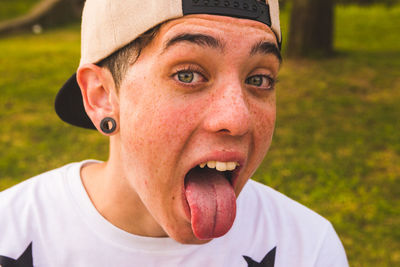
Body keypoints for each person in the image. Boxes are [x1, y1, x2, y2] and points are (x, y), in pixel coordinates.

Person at [0, 0, 349, 266]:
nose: (238, 118)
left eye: (259, 79)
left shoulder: (306, 248)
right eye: (187, 74)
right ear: (101, 96)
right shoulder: (10, 236)